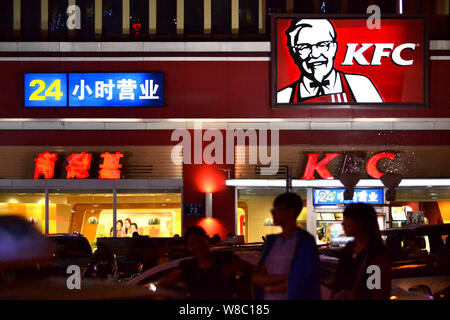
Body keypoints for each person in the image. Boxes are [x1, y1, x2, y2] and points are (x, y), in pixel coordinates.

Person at [277, 19, 383, 104]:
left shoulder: (360, 85)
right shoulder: (283, 97)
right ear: (294, 53)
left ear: (334, 48)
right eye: (305, 47)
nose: (315, 54)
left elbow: (379, 124)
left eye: (322, 45)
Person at [252, 192, 321, 300]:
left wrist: (271, 286)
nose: (273, 214)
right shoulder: (271, 241)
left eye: (277, 210)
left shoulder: (305, 242)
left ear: (290, 212)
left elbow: (304, 279)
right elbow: (257, 277)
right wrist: (286, 279)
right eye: (273, 210)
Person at [158, 226, 253, 300]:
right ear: (188, 248)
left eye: (200, 241)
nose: (198, 247)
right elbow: (162, 286)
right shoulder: (188, 266)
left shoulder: (225, 258)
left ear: (207, 241)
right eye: (192, 244)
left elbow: (252, 272)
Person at [331, 203, 391, 300]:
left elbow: (377, 292)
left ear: (359, 222)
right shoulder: (347, 250)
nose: (343, 223)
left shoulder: (376, 254)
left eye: (346, 219)